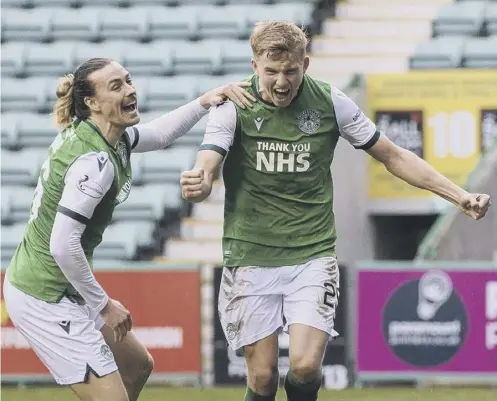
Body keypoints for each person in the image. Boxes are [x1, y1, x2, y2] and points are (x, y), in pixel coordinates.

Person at [180, 21, 492, 401]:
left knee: (305, 366)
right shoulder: (233, 106)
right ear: (255, 64)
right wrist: (201, 180)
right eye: (271, 71)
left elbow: (392, 155)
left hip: (311, 254)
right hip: (249, 255)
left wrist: (457, 195)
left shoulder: (330, 101)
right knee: (261, 379)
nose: (281, 82)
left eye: (291, 71)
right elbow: (208, 162)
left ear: (305, 64)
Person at [3, 57, 256, 401]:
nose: (130, 89)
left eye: (128, 80)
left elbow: (159, 133)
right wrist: (104, 304)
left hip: (64, 286)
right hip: (43, 297)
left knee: (137, 366)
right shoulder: (94, 162)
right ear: (91, 103)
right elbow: (63, 246)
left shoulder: (106, 136)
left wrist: (204, 101)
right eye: (116, 85)